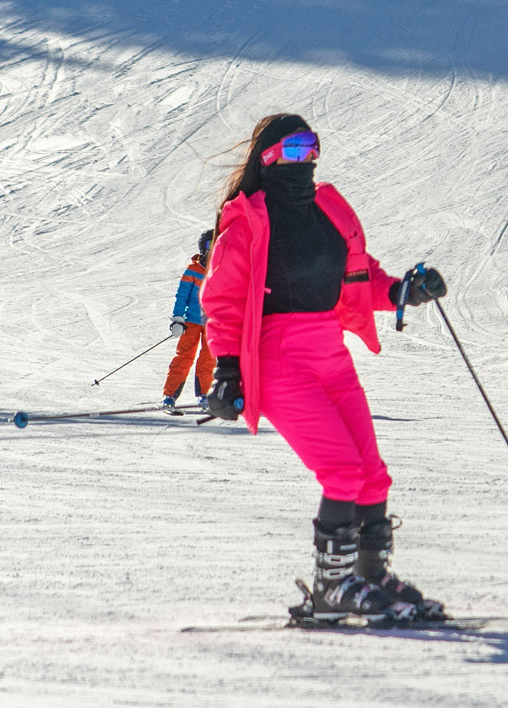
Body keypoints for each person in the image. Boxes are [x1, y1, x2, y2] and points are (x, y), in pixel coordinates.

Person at [200, 114, 448, 623]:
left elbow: (361, 277)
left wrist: (403, 290)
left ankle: (371, 578)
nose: (306, 157)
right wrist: (227, 370)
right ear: (268, 156)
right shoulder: (247, 219)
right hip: (279, 360)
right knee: (342, 471)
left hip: (331, 355)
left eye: (312, 146)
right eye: (294, 148)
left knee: (372, 476)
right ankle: (331, 588)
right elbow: (222, 301)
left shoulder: (330, 210)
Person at [162, 229, 216, 414]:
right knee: (184, 357)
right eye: (210, 245)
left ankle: (204, 396)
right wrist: (177, 319)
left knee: (208, 360)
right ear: (203, 248)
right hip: (191, 321)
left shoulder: (221, 269)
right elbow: (182, 296)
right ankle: (169, 396)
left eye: (216, 244)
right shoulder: (193, 270)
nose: (213, 249)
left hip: (212, 323)